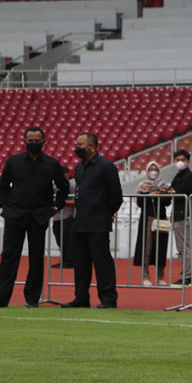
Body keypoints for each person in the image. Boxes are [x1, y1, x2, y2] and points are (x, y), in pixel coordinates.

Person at [0, 127, 68, 309]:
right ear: (24, 141)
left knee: (36, 258)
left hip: (39, 217)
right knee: (9, 257)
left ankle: (32, 299)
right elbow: (3, 186)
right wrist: (6, 206)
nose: (33, 143)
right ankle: (1, 299)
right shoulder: (13, 161)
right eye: (30, 140)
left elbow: (63, 186)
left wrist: (56, 207)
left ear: (44, 141)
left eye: (37, 140)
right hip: (15, 215)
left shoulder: (52, 163)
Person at [61, 132, 123, 309]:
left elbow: (116, 196)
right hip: (80, 222)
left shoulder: (106, 166)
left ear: (91, 146)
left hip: (98, 223)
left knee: (102, 263)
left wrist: (106, 212)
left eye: (80, 144)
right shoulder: (79, 168)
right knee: (80, 263)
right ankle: (81, 298)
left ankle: (108, 299)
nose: (77, 147)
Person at [133, 161, 170, 287]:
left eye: (156, 169)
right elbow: (139, 202)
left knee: (161, 247)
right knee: (147, 248)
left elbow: (168, 202)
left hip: (161, 218)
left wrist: (162, 195)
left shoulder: (164, 185)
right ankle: (145, 276)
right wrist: (149, 195)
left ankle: (160, 277)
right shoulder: (142, 185)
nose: (153, 172)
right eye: (151, 169)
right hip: (147, 218)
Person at [168, 149, 192, 286]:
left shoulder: (188, 176)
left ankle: (187, 277)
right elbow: (171, 190)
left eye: (183, 160)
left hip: (184, 215)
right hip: (177, 215)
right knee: (181, 248)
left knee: (184, 248)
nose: (180, 162)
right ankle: (185, 275)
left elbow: (178, 193)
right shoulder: (178, 175)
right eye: (177, 160)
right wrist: (172, 191)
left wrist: (173, 192)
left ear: (188, 162)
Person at [51, 166, 75, 269]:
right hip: (56, 217)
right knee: (60, 240)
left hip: (67, 217)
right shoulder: (54, 186)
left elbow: (77, 201)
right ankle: (64, 260)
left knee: (67, 241)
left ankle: (69, 261)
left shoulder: (72, 185)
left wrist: (62, 202)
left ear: (68, 174)